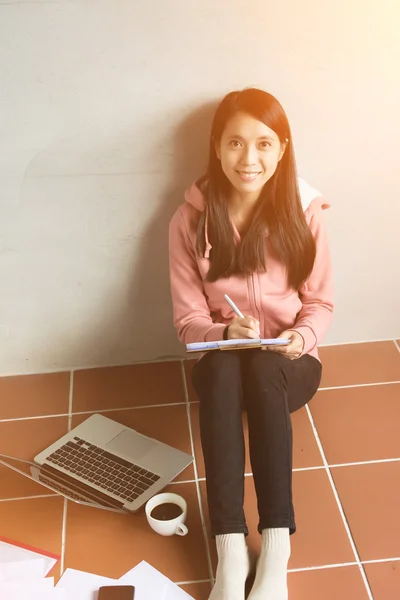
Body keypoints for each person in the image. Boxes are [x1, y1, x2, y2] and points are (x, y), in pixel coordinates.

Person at [168, 88, 333, 600]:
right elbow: (188, 320)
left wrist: (297, 339)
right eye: (236, 143)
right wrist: (221, 334)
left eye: (263, 144)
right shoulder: (189, 221)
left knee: (262, 370)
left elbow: (321, 305)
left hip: (288, 368)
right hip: (224, 367)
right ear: (216, 148)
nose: (249, 159)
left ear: (282, 149)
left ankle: (276, 548)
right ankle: (230, 547)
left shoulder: (305, 213)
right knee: (221, 370)